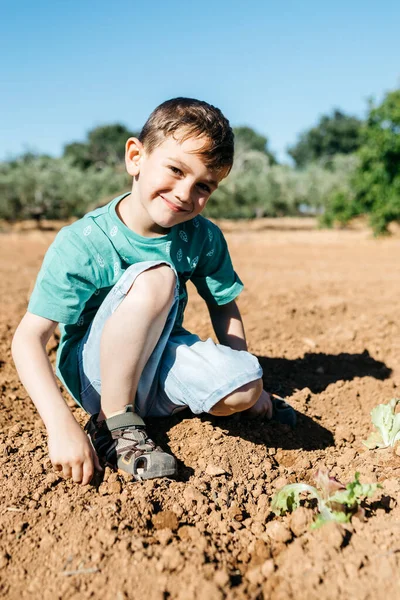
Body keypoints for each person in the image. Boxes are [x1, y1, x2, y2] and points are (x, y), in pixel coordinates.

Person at [12, 97, 294, 486]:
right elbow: (28, 338)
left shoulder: (202, 236)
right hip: (94, 374)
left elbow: (223, 305)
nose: (184, 193)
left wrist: (248, 379)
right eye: (176, 170)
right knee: (158, 277)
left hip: (156, 359)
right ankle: (113, 426)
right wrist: (60, 425)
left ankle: (148, 411)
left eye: (203, 187)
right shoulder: (82, 242)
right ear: (136, 157)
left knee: (245, 387)